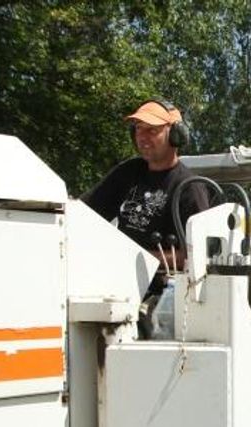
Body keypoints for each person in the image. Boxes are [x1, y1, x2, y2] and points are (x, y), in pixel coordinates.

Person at [82, 99, 210, 291]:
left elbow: (197, 255)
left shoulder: (190, 188)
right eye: (139, 129)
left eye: (152, 130)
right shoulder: (127, 172)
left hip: (162, 296)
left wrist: (139, 257)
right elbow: (85, 214)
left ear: (175, 135)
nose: (142, 137)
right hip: (117, 285)